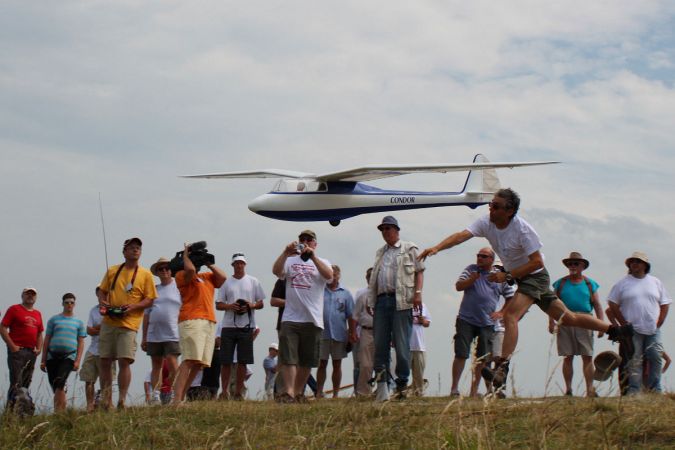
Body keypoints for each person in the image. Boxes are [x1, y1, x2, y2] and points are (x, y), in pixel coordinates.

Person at [419, 188, 634, 392]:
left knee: (510, 315)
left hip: (535, 276)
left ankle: (502, 369)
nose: (490, 209)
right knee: (568, 318)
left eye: (496, 206)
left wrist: (508, 275)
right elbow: (461, 235)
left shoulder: (522, 230)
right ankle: (615, 331)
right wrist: (437, 247)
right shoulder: (487, 222)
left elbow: (536, 262)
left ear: (509, 211)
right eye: (491, 204)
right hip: (522, 278)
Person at [367, 216, 425, 401]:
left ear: (396, 230)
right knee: (380, 344)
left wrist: (418, 293)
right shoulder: (380, 253)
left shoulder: (409, 248)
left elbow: (420, 270)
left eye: (388, 228)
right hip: (382, 300)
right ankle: (383, 385)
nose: (385, 232)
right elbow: (375, 279)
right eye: (383, 229)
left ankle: (401, 382)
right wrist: (371, 301)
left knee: (401, 345)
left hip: (402, 302)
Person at [272, 229, 333, 403]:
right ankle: (289, 392)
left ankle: (298, 393)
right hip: (291, 318)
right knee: (289, 357)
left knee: (307, 360)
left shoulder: (323, 262)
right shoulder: (290, 260)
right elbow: (276, 271)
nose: (305, 242)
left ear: (315, 243)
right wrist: (285, 252)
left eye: (309, 239)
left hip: (313, 318)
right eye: (302, 239)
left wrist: (313, 257)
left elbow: (329, 276)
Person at [97, 237, 158, 409]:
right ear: (124, 252)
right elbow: (102, 291)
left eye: (138, 247)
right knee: (105, 360)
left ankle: (122, 400)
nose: (135, 250)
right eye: (131, 247)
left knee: (124, 361)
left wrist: (133, 307)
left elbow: (150, 299)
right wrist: (103, 302)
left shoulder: (145, 274)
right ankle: (106, 400)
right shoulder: (113, 271)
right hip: (109, 321)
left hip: (129, 323)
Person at [450, 248, 515, 397]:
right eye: (478, 255)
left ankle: (474, 391)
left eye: (484, 256)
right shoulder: (471, 270)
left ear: (491, 259)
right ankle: (454, 388)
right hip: (466, 319)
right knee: (461, 354)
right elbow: (458, 286)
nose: (479, 258)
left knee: (482, 359)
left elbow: (511, 296)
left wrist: (502, 313)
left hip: (487, 323)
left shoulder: (498, 277)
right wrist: (472, 280)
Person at [607, 252, 671, 395]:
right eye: (632, 261)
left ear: (645, 265)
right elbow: (612, 303)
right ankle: (634, 390)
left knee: (655, 356)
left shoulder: (655, 282)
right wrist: (623, 323)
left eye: (638, 261)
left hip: (652, 328)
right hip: (633, 329)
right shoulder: (622, 283)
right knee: (635, 359)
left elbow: (665, 303)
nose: (634, 264)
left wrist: (660, 320)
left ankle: (654, 389)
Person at [173, 242, 227, 403]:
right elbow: (189, 270)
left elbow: (223, 278)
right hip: (191, 319)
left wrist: (209, 263)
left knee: (198, 364)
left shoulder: (206, 277)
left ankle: (182, 396)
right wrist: (186, 255)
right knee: (189, 359)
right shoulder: (181, 275)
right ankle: (176, 399)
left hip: (209, 321)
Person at [550, 252, 604, 397]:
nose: (572, 266)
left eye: (575, 263)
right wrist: (551, 322)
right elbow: (551, 304)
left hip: (585, 320)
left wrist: (601, 325)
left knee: (587, 356)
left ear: (582, 266)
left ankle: (590, 389)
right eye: (570, 264)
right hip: (565, 319)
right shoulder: (560, 283)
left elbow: (597, 305)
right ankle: (568, 389)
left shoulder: (590, 283)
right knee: (567, 356)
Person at [216, 252, 265, 400]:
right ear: (232, 265)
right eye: (236, 263)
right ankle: (224, 391)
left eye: (241, 263)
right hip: (228, 325)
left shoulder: (253, 281)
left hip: (246, 325)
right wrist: (231, 306)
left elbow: (261, 303)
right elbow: (218, 305)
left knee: (243, 361)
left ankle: (238, 392)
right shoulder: (226, 283)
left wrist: (250, 305)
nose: (239, 265)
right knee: (226, 361)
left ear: (245, 264)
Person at [142, 257, 182, 404]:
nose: (164, 271)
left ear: (171, 270)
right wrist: (144, 337)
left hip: (172, 332)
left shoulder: (178, 288)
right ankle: (156, 394)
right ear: (157, 272)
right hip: (154, 333)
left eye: (167, 268)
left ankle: (172, 392)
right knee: (156, 365)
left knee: (173, 363)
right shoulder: (154, 290)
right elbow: (146, 315)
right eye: (161, 269)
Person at [40, 293, 86, 412]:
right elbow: (47, 339)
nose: (69, 304)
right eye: (67, 302)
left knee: (60, 381)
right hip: (52, 356)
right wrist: (43, 360)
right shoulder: (53, 320)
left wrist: (77, 361)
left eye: (71, 302)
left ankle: (59, 412)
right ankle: (61, 411)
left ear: (74, 304)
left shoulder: (79, 322)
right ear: (62, 304)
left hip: (69, 356)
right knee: (55, 385)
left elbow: (81, 342)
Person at [1, 287, 44, 408]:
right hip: (18, 351)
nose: (30, 296)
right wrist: (12, 346)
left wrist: (39, 348)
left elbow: (39, 333)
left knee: (26, 383)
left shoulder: (37, 313)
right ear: (22, 296)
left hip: (31, 352)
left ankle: (23, 411)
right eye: (27, 294)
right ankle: (11, 412)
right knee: (16, 382)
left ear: (35, 297)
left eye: (32, 294)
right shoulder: (14, 309)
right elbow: (3, 328)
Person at [317, 265, 355, 398]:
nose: (332, 278)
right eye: (330, 275)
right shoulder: (320, 291)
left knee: (337, 364)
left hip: (339, 334)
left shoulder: (346, 293)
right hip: (322, 334)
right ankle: (318, 392)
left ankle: (335, 394)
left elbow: (351, 315)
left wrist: (351, 333)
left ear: (339, 276)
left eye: (335, 275)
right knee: (321, 363)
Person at [80, 287, 115, 412]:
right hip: (93, 349)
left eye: (105, 292)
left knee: (106, 379)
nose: (103, 295)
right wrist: (101, 328)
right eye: (100, 292)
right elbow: (88, 330)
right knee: (88, 378)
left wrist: (98, 328)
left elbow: (111, 327)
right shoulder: (93, 310)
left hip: (107, 349)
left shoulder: (113, 308)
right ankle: (90, 405)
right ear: (97, 294)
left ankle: (107, 403)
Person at [351, 268, 374, 397]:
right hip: (366, 330)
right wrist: (353, 332)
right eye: (370, 277)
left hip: (382, 331)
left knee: (384, 363)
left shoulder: (384, 293)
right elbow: (355, 316)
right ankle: (363, 392)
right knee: (365, 364)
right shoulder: (362, 295)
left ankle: (383, 390)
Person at [410, 302, 431, 396]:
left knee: (419, 372)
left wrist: (422, 320)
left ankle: (418, 392)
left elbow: (428, 323)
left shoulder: (423, 305)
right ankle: (401, 391)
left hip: (419, 345)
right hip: (406, 344)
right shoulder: (402, 305)